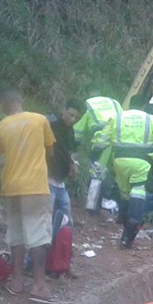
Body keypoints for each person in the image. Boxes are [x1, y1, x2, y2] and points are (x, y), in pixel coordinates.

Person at [0, 88, 58, 304]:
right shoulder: (39, 120)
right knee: (37, 236)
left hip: (11, 186)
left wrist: (7, 161)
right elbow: (50, 152)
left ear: (2, 105)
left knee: (16, 234)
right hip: (35, 185)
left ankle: (16, 281)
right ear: (20, 100)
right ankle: (39, 285)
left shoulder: (0, 127)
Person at [93, 106, 153, 248]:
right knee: (138, 188)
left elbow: (102, 140)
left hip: (120, 160)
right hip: (142, 161)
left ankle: (123, 216)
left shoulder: (117, 117)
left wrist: (95, 153)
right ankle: (133, 220)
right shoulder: (151, 119)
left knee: (124, 190)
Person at [76, 91, 123, 211]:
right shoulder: (114, 102)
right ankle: (116, 203)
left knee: (97, 171)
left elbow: (77, 131)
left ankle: (93, 206)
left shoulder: (88, 104)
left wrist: (75, 145)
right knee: (117, 172)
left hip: (102, 141)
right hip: (121, 140)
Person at [46, 99, 85, 236]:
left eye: (76, 117)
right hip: (47, 178)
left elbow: (71, 150)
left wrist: (74, 163)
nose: (72, 119)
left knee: (66, 217)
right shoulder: (50, 125)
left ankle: (61, 248)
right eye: (70, 114)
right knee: (47, 217)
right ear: (63, 110)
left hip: (60, 179)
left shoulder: (70, 130)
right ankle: (42, 252)